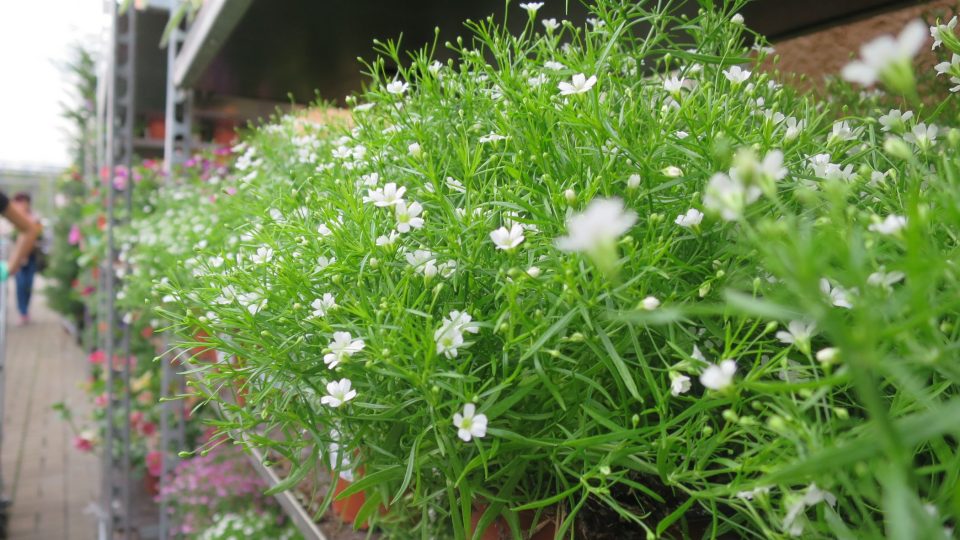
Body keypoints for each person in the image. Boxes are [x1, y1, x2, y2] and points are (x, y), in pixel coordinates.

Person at [0, 191, 42, 324]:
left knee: (26, 285)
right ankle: (23, 311)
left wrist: (12, 264)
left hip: (29, 258)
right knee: (21, 285)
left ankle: (24, 311)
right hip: (19, 257)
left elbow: (31, 231)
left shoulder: (35, 217)